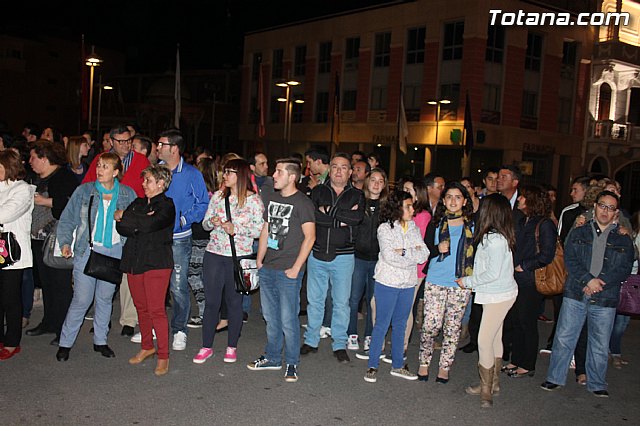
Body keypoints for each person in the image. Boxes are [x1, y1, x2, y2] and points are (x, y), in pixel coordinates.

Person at [541, 191, 634, 398]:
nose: (605, 211)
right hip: (576, 292)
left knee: (599, 342)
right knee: (564, 337)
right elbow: (570, 259)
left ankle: (597, 382)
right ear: (595, 207)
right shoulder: (579, 231)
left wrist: (600, 283)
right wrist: (587, 280)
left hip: (605, 296)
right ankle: (555, 378)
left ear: (615, 212)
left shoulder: (623, 238)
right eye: (602, 206)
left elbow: (625, 267)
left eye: (610, 208)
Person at [55, 153, 137, 361]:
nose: (100, 170)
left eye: (106, 167)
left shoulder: (128, 194)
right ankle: (65, 343)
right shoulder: (84, 191)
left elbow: (136, 226)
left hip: (115, 251)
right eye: (99, 165)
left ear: (116, 172)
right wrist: (65, 243)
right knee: (81, 299)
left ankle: (100, 341)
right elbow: (67, 219)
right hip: (87, 250)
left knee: (105, 298)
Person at [248, 158, 315, 382]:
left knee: (288, 319)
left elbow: (310, 237)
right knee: (270, 316)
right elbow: (266, 228)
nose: (274, 175)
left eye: (278, 172)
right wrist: (260, 260)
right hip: (269, 267)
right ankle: (273, 357)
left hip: (289, 271)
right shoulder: (273, 198)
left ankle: (292, 363)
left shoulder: (303, 203)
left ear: (292, 177)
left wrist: (296, 268)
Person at [193, 158, 264, 364]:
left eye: (230, 172)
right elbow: (205, 224)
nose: (225, 175)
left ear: (240, 175)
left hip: (238, 257)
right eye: (224, 172)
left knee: (234, 303)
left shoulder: (253, 201)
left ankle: (232, 346)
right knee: (211, 302)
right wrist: (211, 222)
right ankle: (206, 346)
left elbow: (260, 231)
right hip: (214, 253)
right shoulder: (217, 197)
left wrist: (237, 229)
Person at [83, 125, 150, 338]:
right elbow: (87, 187)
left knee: (128, 273)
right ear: (111, 141)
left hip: (129, 224)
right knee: (103, 270)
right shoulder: (101, 160)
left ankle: (129, 319)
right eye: (120, 141)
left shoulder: (140, 161)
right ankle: (102, 319)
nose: (125, 145)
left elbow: (148, 191)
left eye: (128, 140)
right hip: (103, 226)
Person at [300, 153, 364, 364]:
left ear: (350, 172)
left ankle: (339, 343)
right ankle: (311, 340)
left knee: (341, 303)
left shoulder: (357, 195)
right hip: (317, 253)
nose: (338, 171)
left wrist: (328, 212)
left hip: (344, 256)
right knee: (315, 301)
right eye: (335, 166)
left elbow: (356, 219)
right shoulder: (318, 191)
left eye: (343, 167)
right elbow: (313, 217)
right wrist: (339, 217)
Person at [456, 193, 518, 408]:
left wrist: (467, 280)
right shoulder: (498, 236)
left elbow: (491, 273)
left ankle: (485, 391)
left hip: (498, 295)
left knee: (484, 340)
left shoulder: (495, 240)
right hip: (499, 293)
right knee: (494, 338)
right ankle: (494, 384)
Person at [363, 191, 429, 383]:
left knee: (401, 324)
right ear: (396, 208)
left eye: (411, 205)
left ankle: (398, 365)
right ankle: (372, 365)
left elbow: (424, 254)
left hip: (408, 283)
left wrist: (404, 252)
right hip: (387, 282)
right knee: (382, 324)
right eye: (407, 206)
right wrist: (410, 255)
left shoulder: (414, 228)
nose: (411, 209)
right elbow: (389, 257)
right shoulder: (385, 229)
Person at [117, 165, 175, 376]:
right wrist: (132, 220)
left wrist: (127, 217)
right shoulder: (139, 203)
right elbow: (120, 226)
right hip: (134, 260)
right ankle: (147, 346)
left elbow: (152, 224)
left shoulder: (167, 205)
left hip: (157, 262)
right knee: (141, 307)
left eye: (148, 180)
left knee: (156, 310)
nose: (143, 184)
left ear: (161, 183)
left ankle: (163, 356)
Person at [156, 129, 209, 351]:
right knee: (156, 284)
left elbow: (203, 203)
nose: (157, 147)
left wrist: (184, 220)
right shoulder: (155, 170)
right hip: (155, 238)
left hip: (179, 238)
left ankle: (179, 329)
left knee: (178, 286)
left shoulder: (191, 174)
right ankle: (154, 327)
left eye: (161, 144)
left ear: (174, 148)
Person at [418, 181, 475, 383]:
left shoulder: (473, 226)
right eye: (449, 196)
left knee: (452, 328)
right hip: (435, 280)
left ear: (465, 201)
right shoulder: (436, 223)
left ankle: (444, 367)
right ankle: (424, 363)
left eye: (458, 197)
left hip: (460, 283)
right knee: (430, 326)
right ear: (443, 200)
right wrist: (437, 249)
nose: (453, 201)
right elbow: (423, 250)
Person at [25, 140, 78, 345]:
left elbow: (69, 204)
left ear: (45, 159)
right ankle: (49, 322)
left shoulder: (64, 177)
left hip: (57, 239)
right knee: (47, 283)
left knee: (60, 284)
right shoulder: (37, 178)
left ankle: (62, 329)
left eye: (33, 157)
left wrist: (44, 201)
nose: (30, 162)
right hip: (39, 239)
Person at [501, 185, 556, 378]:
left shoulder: (545, 224)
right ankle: (516, 360)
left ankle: (527, 364)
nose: (520, 199)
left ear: (532, 201)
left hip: (531, 281)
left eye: (524, 196)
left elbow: (547, 254)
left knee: (527, 322)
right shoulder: (523, 220)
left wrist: (525, 265)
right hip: (515, 279)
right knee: (516, 321)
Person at [348, 168, 388, 353]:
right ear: (367, 181)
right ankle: (352, 334)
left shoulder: (388, 207)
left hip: (379, 260)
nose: (376, 184)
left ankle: (370, 335)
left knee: (374, 300)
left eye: (381, 181)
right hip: (358, 258)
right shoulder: (358, 201)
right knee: (354, 298)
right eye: (373, 179)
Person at [0, 150, 35, 360]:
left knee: (10, 298)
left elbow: (6, 213)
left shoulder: (23, 189)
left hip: (12, 252)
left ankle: (13, 341)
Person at [187, 157, 217, 328]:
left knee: (193, 274)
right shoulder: (216, 191)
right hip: (209, 237)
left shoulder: (199, 191)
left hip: (198, 236)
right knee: (205, 275)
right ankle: (209, 310)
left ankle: (205, 311)